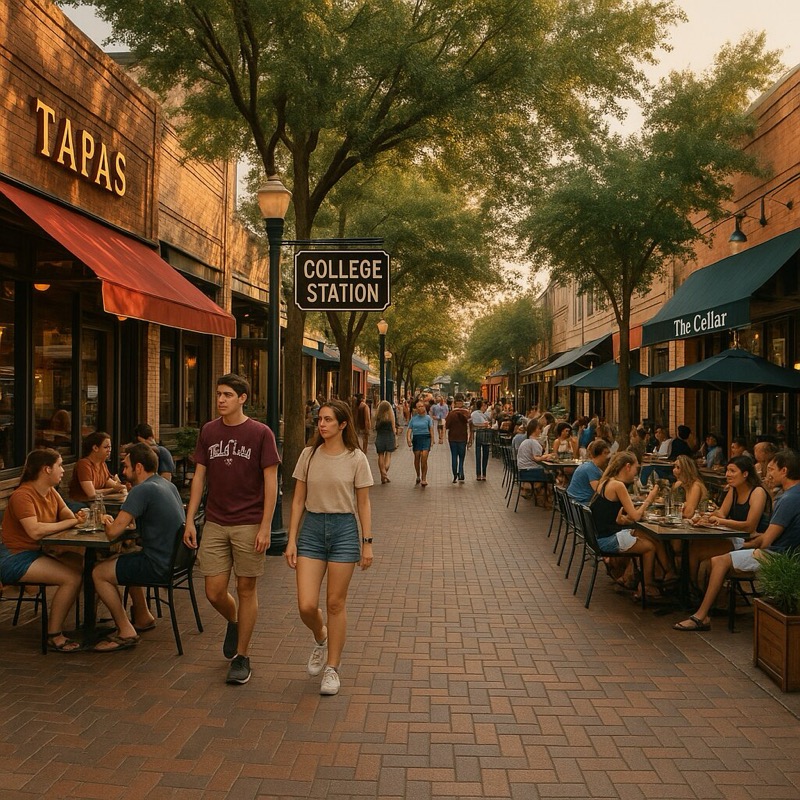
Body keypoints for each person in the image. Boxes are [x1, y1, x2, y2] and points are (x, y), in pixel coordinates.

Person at [183, 373, 280, 685]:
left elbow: (270, 482)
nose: (220, 399)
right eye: (218, 394)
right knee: (213, 590)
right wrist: (189, 519)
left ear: (243, 398)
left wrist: (266, 526)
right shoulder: (209, 431)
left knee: (246, 588)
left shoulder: (261, 433)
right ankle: (235, 620)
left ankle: (242, 657)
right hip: (215, 521)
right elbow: (199, 477)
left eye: (227, 394)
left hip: (249, 522)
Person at [284, 399, 373, 696]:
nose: (321, 424)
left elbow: (363, 502)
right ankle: (320, 635)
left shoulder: (356, 458)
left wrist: (367, 543)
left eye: (327, 420)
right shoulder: (308, 455)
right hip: (311, 530)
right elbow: (297, 500)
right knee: (306, 604)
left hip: (344, 531)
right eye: (319, 419)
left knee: (335, 603)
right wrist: (292, 539)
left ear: (342, 424)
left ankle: (332, 668)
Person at [674, 449, 799, 632]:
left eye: (771, 470)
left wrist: (750, 542)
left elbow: (765, 540)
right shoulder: (792, 494)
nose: (767, 474)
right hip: (781, 551)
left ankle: (701, 615)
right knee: (702, 552)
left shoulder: (787, 498)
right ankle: (698, 599)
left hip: (778, 556)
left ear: (784, 471)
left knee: (719, 560)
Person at [91, 443, 186, 652]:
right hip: (176, 562)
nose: (123, 472)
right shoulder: (165, 484)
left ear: (139, 467)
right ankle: (143, 616)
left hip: (157, 564)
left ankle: (126, 631)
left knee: (98, 572)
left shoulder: (141, 490)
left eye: (125, 466)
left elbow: (113, 532)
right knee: (128, 555)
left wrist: (105, 519)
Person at [0, 449, 84, 652]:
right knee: (71, 578)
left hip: (36, 553)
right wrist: (72, 521)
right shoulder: (23, 495)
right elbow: (35, 531)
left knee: (78, 562)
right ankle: (54, 635)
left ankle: (65, 619)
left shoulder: (50, 491)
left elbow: (66, 514)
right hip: (15, 557)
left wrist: (75, 517)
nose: (63, 470)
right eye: (60, 465)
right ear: (47, 469)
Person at [589, 452, 663, 601]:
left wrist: (623, 519)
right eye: (636, 468)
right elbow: (636, 516)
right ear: (627, 466)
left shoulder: (606, 481)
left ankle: (636, 577)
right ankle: (646, 587)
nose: (637, 473)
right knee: (650, 547)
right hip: (606, 540)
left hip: (599, 536)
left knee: (645, 535)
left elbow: (610, 514)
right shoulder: (618, 485)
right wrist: (650, 498)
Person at [69, 431, 126, 503]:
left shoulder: (102, 464)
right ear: (95, 448)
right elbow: (92, 494)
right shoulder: (84, 464)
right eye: (106, 447)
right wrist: (113, 489)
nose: (109, 450)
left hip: (97, 503)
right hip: (82, 504)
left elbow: (111, 483)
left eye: (110, 447)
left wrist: (120, 487)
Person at [568, 440, 610, 504]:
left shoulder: (588, 465)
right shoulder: (591, 469)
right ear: (599, 454)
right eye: (606, 453)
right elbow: (600, 491)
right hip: (581, 505)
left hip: (573, 503)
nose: (608, 456)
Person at [517, 418, 550, 498]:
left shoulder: (526, 441)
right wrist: (546, 456)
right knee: (551, 475)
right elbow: (536, 458)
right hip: (530, 471)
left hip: (522, 471)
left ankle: (532, 490)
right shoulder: (534, 442)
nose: (541, 431)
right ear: (535, 429)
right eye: (539, 429)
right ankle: (545, 497)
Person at [407, 400, 435, 486]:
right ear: (416, 409)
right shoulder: (413, 419)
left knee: (424, 457)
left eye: (422, 406)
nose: (421, 408)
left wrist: (432, 440)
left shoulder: (428, 418)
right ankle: (418, 475)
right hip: (417, 438)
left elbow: (431, 429)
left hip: (426, 437)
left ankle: (424, 478)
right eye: (419, 407)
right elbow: (409, 430)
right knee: (417, 456)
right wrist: (408, 439)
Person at [445, 393, 471, 483]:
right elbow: (469, 423)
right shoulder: (467, 412)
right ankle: (461, 472)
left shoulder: (451, 413)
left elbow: (447, 425)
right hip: (463, 437)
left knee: (454, 456)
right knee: (462, 457)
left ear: (455, 403)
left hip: (452, 437)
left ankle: (455, 474)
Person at [373, 400, 397, 484]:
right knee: (388, 455)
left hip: (380, 436)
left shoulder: (378, 416)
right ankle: (384, 474)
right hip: (389, 436)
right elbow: (394, 429)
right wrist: (395, 438)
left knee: (380, 455)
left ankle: (383, 475)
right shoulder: (391, 416)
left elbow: (374, 427)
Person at [470, 399, 492, 481]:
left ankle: (482, 473)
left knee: (484, 455)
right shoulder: (476, 414)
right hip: (481, 434)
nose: (485, 407)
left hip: (484, 434)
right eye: (484, 406)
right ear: (481, 406)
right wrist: (484, 425)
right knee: (479, 455)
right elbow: (474, 424)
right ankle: (480, 474)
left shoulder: (485, 414)